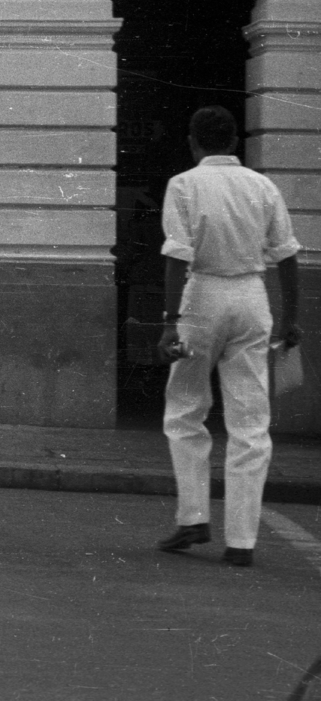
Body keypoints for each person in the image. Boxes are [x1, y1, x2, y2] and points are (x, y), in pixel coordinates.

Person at [154, 105, 302, 568]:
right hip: (252, 297)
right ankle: (242, 539)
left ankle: (193, 515)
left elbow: (177, 256)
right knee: (250, 421)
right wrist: (290, 318)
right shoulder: (263, 186)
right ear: (235, 141)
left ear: (194, 142)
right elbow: (288, 256)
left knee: (185, 409)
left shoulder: (184, 184)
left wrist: (170, 320)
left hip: (202, 294)